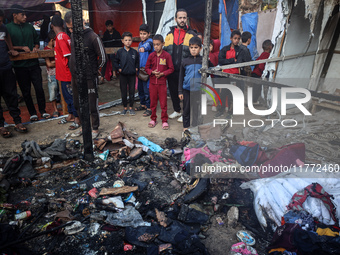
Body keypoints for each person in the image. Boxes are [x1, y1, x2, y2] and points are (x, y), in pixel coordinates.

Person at [64, 11, 106, 139]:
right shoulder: (72, 36)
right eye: (69, 28)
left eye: (72, 27)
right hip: (76, 77)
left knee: (92, 104)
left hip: (89, 77)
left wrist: (93, 70)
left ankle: (94, 128)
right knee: (77, 103)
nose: (71, 30)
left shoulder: (93, 37)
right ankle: (84, 126)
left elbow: (103, 58)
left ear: (81, 22)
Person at [7, 4, 50, 121]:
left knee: (39, 88)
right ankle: (32, 113)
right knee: (26, 91)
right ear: (14, 15)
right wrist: (22, 48)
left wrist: (36, 47)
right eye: (22, 14)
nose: (25, 17)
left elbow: (36, 41)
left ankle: (43, 111)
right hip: (19, 66)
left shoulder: (29, 27)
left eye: (25, 14)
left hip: (34, 64)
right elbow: (7, 46)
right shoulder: (8, 28)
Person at [164, 8, 196, 122]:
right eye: (180, 18)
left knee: (186, 92)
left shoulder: (192, 35)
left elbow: (196, 52)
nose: (182, 20)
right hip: (172, 69)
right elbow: (165, 51)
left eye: (184, 18)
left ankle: (185, 113)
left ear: (187, 19)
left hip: (186, 70)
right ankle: (177, 110)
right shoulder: (169, 34)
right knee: (173, 91)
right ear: (175, 19)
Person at [0, 9, 27, 137]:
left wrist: (11, 49)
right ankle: (1, 126)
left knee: (11, 95)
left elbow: (7, 39)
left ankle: (17, 122)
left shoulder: (3, 27)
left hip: (6, 67)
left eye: (1, 20)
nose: (0, 23)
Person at [51, 14, 80, 130]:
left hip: (67, 74)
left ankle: (77, 118)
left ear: (52, 25)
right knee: (67, 96)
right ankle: (71, 115)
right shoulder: (64, 36)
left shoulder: (61, 37)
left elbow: (68, 57)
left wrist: (72, 72)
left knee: (71, 96)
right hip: (64, 74)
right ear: (63, 24)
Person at [178, 37, 213, 132]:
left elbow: (210, 72)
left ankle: (195, 126)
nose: (193, 50)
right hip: (187, 89)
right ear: (189, 48)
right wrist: (180, 91)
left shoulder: (203, 61)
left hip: (198, 89)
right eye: (191, 47)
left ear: (200, 48)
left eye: (196, 47)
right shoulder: (185, 61)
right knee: (186, 109)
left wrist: (207, 64)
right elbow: (181, 77)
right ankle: (186, 126)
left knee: (196, 109)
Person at [145, 34, 174, 130]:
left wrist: (162, 74)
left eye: (158, 44)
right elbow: (146, 68)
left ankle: (164, 120)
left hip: (162, 83)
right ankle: (153, 119)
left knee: (163, 103)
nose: (156, 47)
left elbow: (171, 69)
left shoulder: (167, 56)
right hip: (153, 83)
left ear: (163, 44)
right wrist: (152, 72)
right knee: (153, 103)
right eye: (154, 45)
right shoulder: (151, 55)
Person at [216, 30, 242, 119]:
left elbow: (239, 62)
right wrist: (231, 60)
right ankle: (221, 110)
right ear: (231, 38)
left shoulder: (240, 50)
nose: (236, 40)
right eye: (235, 38)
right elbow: (220, 61)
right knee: (223, 93)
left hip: (235, 75)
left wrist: (228, 62)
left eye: (238, 39)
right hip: (225, 74)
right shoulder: (224, 49)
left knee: (232, 94)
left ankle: (230, 112)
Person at [114, 31, 139, 116]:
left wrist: (136, 68)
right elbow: (115, 61)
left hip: (132, 75)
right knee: (123, 91)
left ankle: (131, 107)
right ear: (122, 41)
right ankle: (125, 107)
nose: (128, 42)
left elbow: (137, 62)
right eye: (126, 40)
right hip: (123, 75)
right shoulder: (120, 52)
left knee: (132, 91)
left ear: (132, 41)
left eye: (129, 40)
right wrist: (119, 69)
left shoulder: (134, 52)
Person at [135, 24, 153, 117]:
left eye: (144, 34)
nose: (142, 35)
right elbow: (138, 57)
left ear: (149, 34)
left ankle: (149, 108)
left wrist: (143, 48)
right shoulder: (139, 44)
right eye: (141, 33)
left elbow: (148, 46)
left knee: (147, 90)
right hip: (140, 70)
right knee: (140, 89)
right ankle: (143, 105)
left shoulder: (150, 42)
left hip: (148, 70)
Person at [99, 19, 121, 84]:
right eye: (108, 26)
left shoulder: (117, 33)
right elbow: (104, 43)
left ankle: (114, 74)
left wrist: (114, 48)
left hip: (115, 51)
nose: (109, 28)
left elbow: (119, 43)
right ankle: (102, 77)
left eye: (110, 26)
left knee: (112, 56)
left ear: (112, 26)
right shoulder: (106, 34)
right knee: (104, 59)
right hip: (107, 51)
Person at [44, 30, 59, 118]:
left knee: (59, 91)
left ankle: (58, 107)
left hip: (57, 72)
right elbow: (49, 64)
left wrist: (54, 63)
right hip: (52, 74)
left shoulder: (56, 48)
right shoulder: (46, 50)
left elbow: (50, 63)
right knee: (53, 91)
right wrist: (58, 62)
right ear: (52, 40)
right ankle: (55, 109)